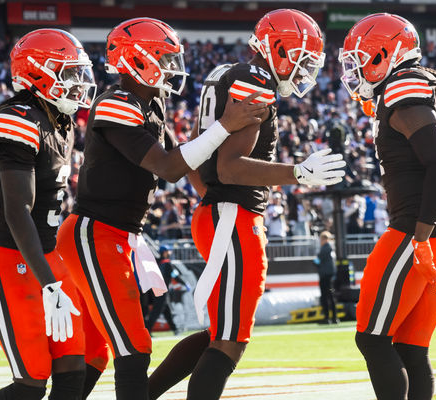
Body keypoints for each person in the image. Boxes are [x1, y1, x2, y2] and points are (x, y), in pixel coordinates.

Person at [55, 18, 267, 400]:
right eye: (164, 57)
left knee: (94, 354)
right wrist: (223, 125)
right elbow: (168, 168)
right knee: (134, 349)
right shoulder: (116, 103)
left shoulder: (150, 104)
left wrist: (215, 199)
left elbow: (184, 166)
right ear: (138, 59)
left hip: (117, 234)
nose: (172, 66)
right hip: (95, 231)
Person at [149, 9, 346, 400]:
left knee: (220, 331)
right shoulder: (254, 82)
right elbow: (232, 167)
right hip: (233, 218)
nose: (305, 71)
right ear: (278, 48)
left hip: (218, 213)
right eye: (302, 59)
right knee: (231, 339)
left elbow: (194, 150)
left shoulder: (226, 73)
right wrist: (299, 174)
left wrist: (209, 197)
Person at [339, 13, 436, 400]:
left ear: (385, 53)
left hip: (420, 230)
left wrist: (419, 236)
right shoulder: (433, 83)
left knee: (372, 339)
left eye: (360, 57)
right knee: (410, 347)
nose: (355, 68)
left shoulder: (402, 87)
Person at [0, 29, 97, 400]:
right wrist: (49, 283)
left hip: (48, 252)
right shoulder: (16, 118)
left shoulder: (59, 121)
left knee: (74, 369)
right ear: (39, 73)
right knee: (31, 384)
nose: (79, 84)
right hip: (13, 256)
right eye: (70, 72)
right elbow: (17, 212)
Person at [145, 245, 179, 335]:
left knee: (166, 311)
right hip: (162, 291)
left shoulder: (158, 263)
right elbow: (175, 276)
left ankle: (175, 329)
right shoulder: (167, 264)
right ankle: (147, 330)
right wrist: (184, 284)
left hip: (157, 290)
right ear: (164, 253)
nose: (169, 253)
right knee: (156, 311)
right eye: (168, 251)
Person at [314, 231, 338, 324]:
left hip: (324, 275)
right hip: (330, 275)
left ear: (324, 239)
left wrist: (315, 262)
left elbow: (317, 260)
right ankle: (334, 317)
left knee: (325, 297)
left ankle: (327, 317)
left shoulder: (325, 248)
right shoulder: (331, 248)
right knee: (331, 296)